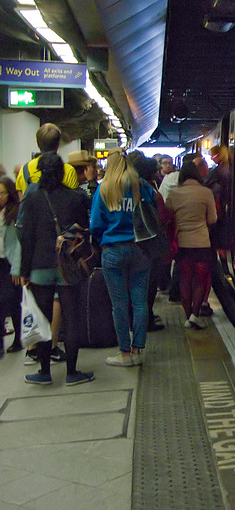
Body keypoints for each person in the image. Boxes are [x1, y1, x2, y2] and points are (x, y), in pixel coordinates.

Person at [17, 152, 93, 385]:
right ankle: (72, 372)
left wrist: (24, 270)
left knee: (43, 319)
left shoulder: (31, 199)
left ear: (39, 171)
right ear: (63, 172)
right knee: (71, 318)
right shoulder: (76, 197)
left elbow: (26, 236)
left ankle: (44, 372)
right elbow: (84, 232)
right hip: (67, 266)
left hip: (40, 265)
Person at [90, 149, 154, 367]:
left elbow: (95, 224)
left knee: (119, 304)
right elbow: (152, 215)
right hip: (140, 249)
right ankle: (138, 349)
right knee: (139, 302)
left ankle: (124, 354)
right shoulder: (141, 187)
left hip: (113, 251)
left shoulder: (104, 189)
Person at [165, 159, 216, 329]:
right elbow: (212, 219)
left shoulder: (174, 193)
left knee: (185, 280)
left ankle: (187, 318)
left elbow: (167, 217)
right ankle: (195, 314)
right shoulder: (206, 192)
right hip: (202, 242)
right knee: (200, 280)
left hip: (183, 243)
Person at [132, 155, 167, 332]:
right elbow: (161, 216)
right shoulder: (147, 189)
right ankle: (144, 323)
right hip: (149, 244)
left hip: (127, 243)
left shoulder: (120, 188)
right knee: (147, 286)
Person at [15, 123, 78, 196]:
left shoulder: (24, 170)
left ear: (38, 143)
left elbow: (22, 201)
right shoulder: (69, 171)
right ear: (58, 144)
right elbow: (73, 202)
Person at [0, 177, 22, 354]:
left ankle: (18, 339)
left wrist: (17, 267)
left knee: (12, 301)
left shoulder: (15, 212)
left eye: (2, 193)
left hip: (10, 263)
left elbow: (18, 244)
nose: (0, 196)